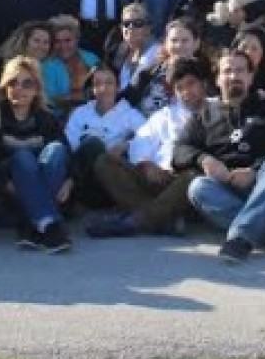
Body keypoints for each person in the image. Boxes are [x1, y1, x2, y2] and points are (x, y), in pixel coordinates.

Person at [173, 50, 265, 263]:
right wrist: (204, 159)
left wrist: (254, 170)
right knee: (197, 187)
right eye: (227, 71)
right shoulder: (204, 115)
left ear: (250, 76)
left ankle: (240, 238)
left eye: (240, 70)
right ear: (217, 78)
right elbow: (179, 150)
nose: (233, 76)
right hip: (227, 190)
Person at [87, 57, 207, 238]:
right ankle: (163, 220)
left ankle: (134, 221)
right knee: (105, 161)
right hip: (156, 178)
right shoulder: (166, 115)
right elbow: (140, 142)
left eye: (191, 84)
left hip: (186, 183)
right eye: (179, 88)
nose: (186, 92)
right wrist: (146, 164)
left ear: (203, 84)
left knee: (193, 177)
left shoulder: (217, 110)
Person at [0, 56, 73, 253]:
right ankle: (50, 225)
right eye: (13, 82)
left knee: (56, 150)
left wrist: (69, 181)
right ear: (4, 87)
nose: (19, 89)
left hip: (47, 184)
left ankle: (32, 223)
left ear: (37, 89)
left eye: (27, 84)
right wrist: (3, 184)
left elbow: (69, 155)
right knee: (23, 156)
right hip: (7, 192)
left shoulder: (47, 119)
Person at [63, 64, 145, 209]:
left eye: (109, 83)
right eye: (98, 83)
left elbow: (148, 138)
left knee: (95, 145)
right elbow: (69, 144)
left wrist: (126, 144)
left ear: (118, 87)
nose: (104, 88)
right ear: (92, 89)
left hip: (109, 181)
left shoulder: (130, 114)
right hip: (84, 177)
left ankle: (69, 186)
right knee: (91, 144)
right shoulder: (80, 113)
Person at [122, 17, 205, 115]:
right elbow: (125, 101)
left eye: (185, 41)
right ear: (166, 43)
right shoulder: (149, 72)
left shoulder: (204, 75)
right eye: (174, 40)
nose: (179, 45)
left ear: (196, 43)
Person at [42, 15, 100, 114]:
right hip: (58, 118)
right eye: (57, 41)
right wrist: (87, 96)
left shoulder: (91, 58)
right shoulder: (47, 65)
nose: (63, 46)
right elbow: (50, 100)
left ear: (77, 39)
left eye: (68, 40)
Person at [112, 3, 162, 92]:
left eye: (138, 23)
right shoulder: (120, 50)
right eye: (126, 24)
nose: (131, 28)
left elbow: (135, 88)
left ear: (148, 28)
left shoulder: (155, 51)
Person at [233, 26, 265, 98]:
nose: (248, 52)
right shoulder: (227, 78)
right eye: (244, 47)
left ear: (263, 53)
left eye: (254, 49)